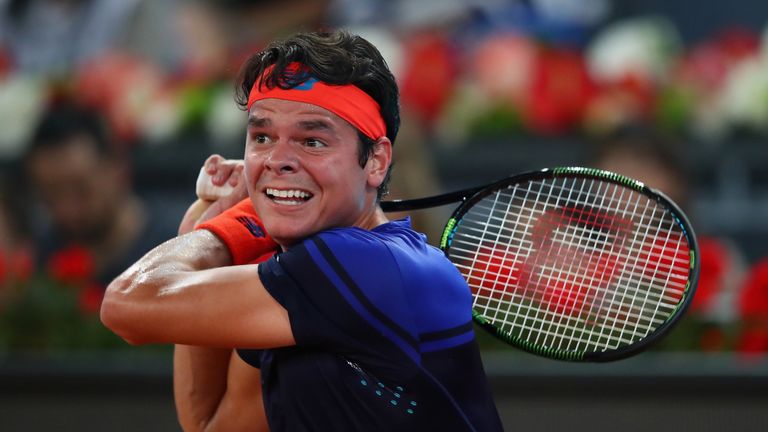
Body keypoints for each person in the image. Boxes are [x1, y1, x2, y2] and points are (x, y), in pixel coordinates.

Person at [100, 30, 503, 431]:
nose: (277, 160)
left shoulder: (363, 264)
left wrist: (241, 219)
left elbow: (125, 304)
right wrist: (209, 219)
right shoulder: (307, 288)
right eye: (262, 137)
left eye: (312, 141)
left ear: (376, 161)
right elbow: (209, 424)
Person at [24, 102, 177, 288]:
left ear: (117, 169)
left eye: (81, 190)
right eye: (51, 196)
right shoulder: (44, 261)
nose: (67, 210)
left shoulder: (175, 248)